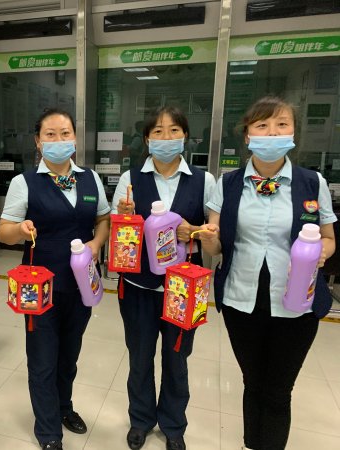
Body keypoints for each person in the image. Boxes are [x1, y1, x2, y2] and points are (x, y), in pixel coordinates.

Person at [200, 96, 336, 450]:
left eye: (281, 124)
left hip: (297, 304)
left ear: (293, 132)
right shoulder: (228, 183)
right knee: (252, 382)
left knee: (278, 390)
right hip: (241, 300)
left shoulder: (312, 183)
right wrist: (210, 240)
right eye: (262, 125)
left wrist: (320, 253)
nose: (272, 133)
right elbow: (216, 246)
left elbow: (329, 238)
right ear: (247, 136)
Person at [0, 108, 110, 450]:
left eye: (65, 133)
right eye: (50, 134)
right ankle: (47, 430)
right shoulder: (25, 182)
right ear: (38, 141)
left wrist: (96, 244)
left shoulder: (90, 179)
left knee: (68, 356)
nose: (58, 140)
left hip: (81, 286)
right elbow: (2, 232)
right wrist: (19, 229)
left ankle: (63, 407)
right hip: (39, 289)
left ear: (74, 138)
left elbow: (103, 219)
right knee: (43, 360)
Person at [111, 106, 216, 450]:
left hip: (183, 289)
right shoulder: (130, 180)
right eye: (158, 131)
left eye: (174, 131)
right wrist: (124, 218)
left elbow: (215, 233)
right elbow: (117, 232)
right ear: (147, 139)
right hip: (138, 286)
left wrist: (195, 231)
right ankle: (141, 419)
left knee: (177, 359)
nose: (166, 137)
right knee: (140, 358)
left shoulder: (204, 181)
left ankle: (173, 424)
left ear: (185, 136)